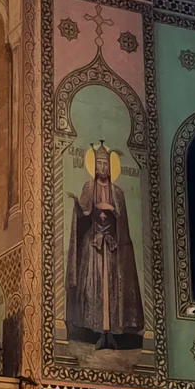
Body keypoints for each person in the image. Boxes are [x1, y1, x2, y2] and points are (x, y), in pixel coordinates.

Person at [66, 142, 143, 350]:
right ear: (94, 166)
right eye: (99, 164)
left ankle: (111, 333)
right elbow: (83, 215)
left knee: (112, 288)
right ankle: (99, 332)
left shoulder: (117, 192)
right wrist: (77, 207)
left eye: (106, 164)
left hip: (112, 249)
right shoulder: (88, 188)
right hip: (93, 247)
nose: (103, 168)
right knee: (94, 286)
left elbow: (123, 223)